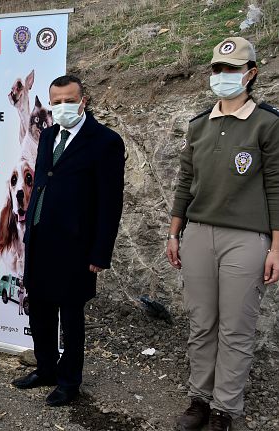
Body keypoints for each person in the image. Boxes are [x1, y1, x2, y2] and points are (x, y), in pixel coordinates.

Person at [166, 37, 279, 431]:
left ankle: (224, 408)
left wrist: (276, 247)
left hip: (246, 239)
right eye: (217, 68)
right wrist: (174, 233)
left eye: (232, 69)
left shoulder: (268, 123)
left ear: (251, 74)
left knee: (236, 328)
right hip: (198, 233)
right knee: (202, 323)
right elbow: (185, 181)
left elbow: (276, 186)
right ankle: (199, 398)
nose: (223, 75)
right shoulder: (199, 125)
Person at [11, 75, 125, 407]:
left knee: (71, 317)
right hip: (40, 239)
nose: (62, 107)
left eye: (69, 101)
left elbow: (110, 203)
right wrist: (29, 231)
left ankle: (69, 381)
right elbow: (43, 184)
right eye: (56, 102)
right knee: (39, 310)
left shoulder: (105, 141)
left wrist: (100, 252)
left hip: (76, 245)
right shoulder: (48, 136)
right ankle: (45, 368)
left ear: (83, 101)